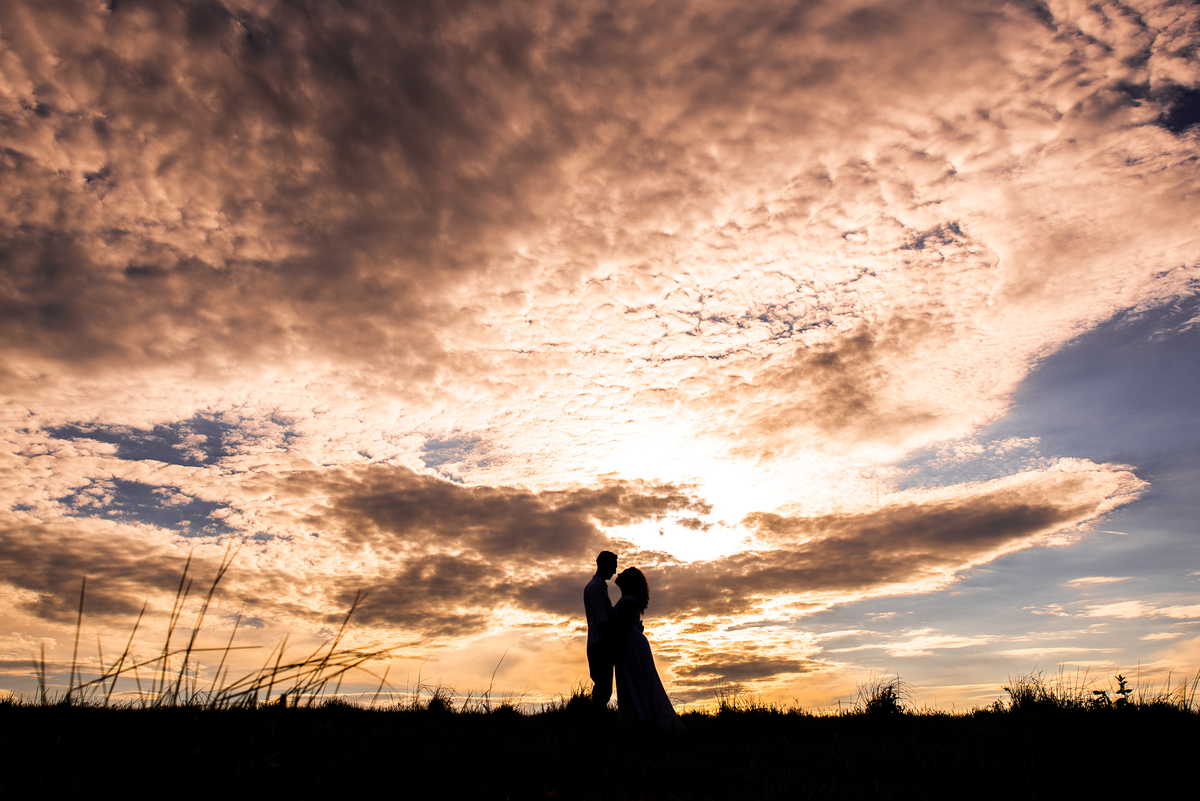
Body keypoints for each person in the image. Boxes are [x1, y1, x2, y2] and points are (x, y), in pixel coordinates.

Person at [612, 567, 683, 730]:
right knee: (636, 681)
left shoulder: (628, 600)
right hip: (632, 644)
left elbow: (620, 626)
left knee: (633, 681)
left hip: (630, 645)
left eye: (624, 573)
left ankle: (642, 720)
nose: (619, 574)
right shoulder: (628, 599)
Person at [583, 550, 618, 712]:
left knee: (604, 688)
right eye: (613, 567)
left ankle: (598, 723)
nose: (615, 571)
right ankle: (597, 724)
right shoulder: (595, 588)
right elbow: (602, 619)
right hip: (600, 644)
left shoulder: (598, 587)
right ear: (604, 565)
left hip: (600, 643)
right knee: (603, 688)